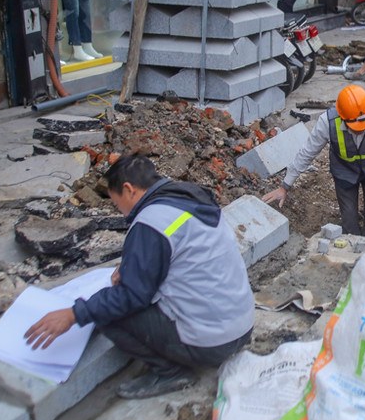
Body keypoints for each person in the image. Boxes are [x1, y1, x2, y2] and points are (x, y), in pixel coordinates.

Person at [24, 155, 255, 399]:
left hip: (213, 342)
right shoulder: (187, 199)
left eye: (116, 203)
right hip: (241, 325)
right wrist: (133, 266)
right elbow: (181, 254)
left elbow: (132, 297)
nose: (119, 211)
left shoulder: (151, 222)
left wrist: (74, 314)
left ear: (129, 190)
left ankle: (170, 372)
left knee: (109, 313)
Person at [262, 85, 365, 236]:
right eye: (356, 126)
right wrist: (285, 186)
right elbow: (307, 153)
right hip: (344, 172)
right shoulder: (327, 122)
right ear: (343, 117)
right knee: (349, 222)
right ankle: (351, 251)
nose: (361, 129)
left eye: (364, 125)